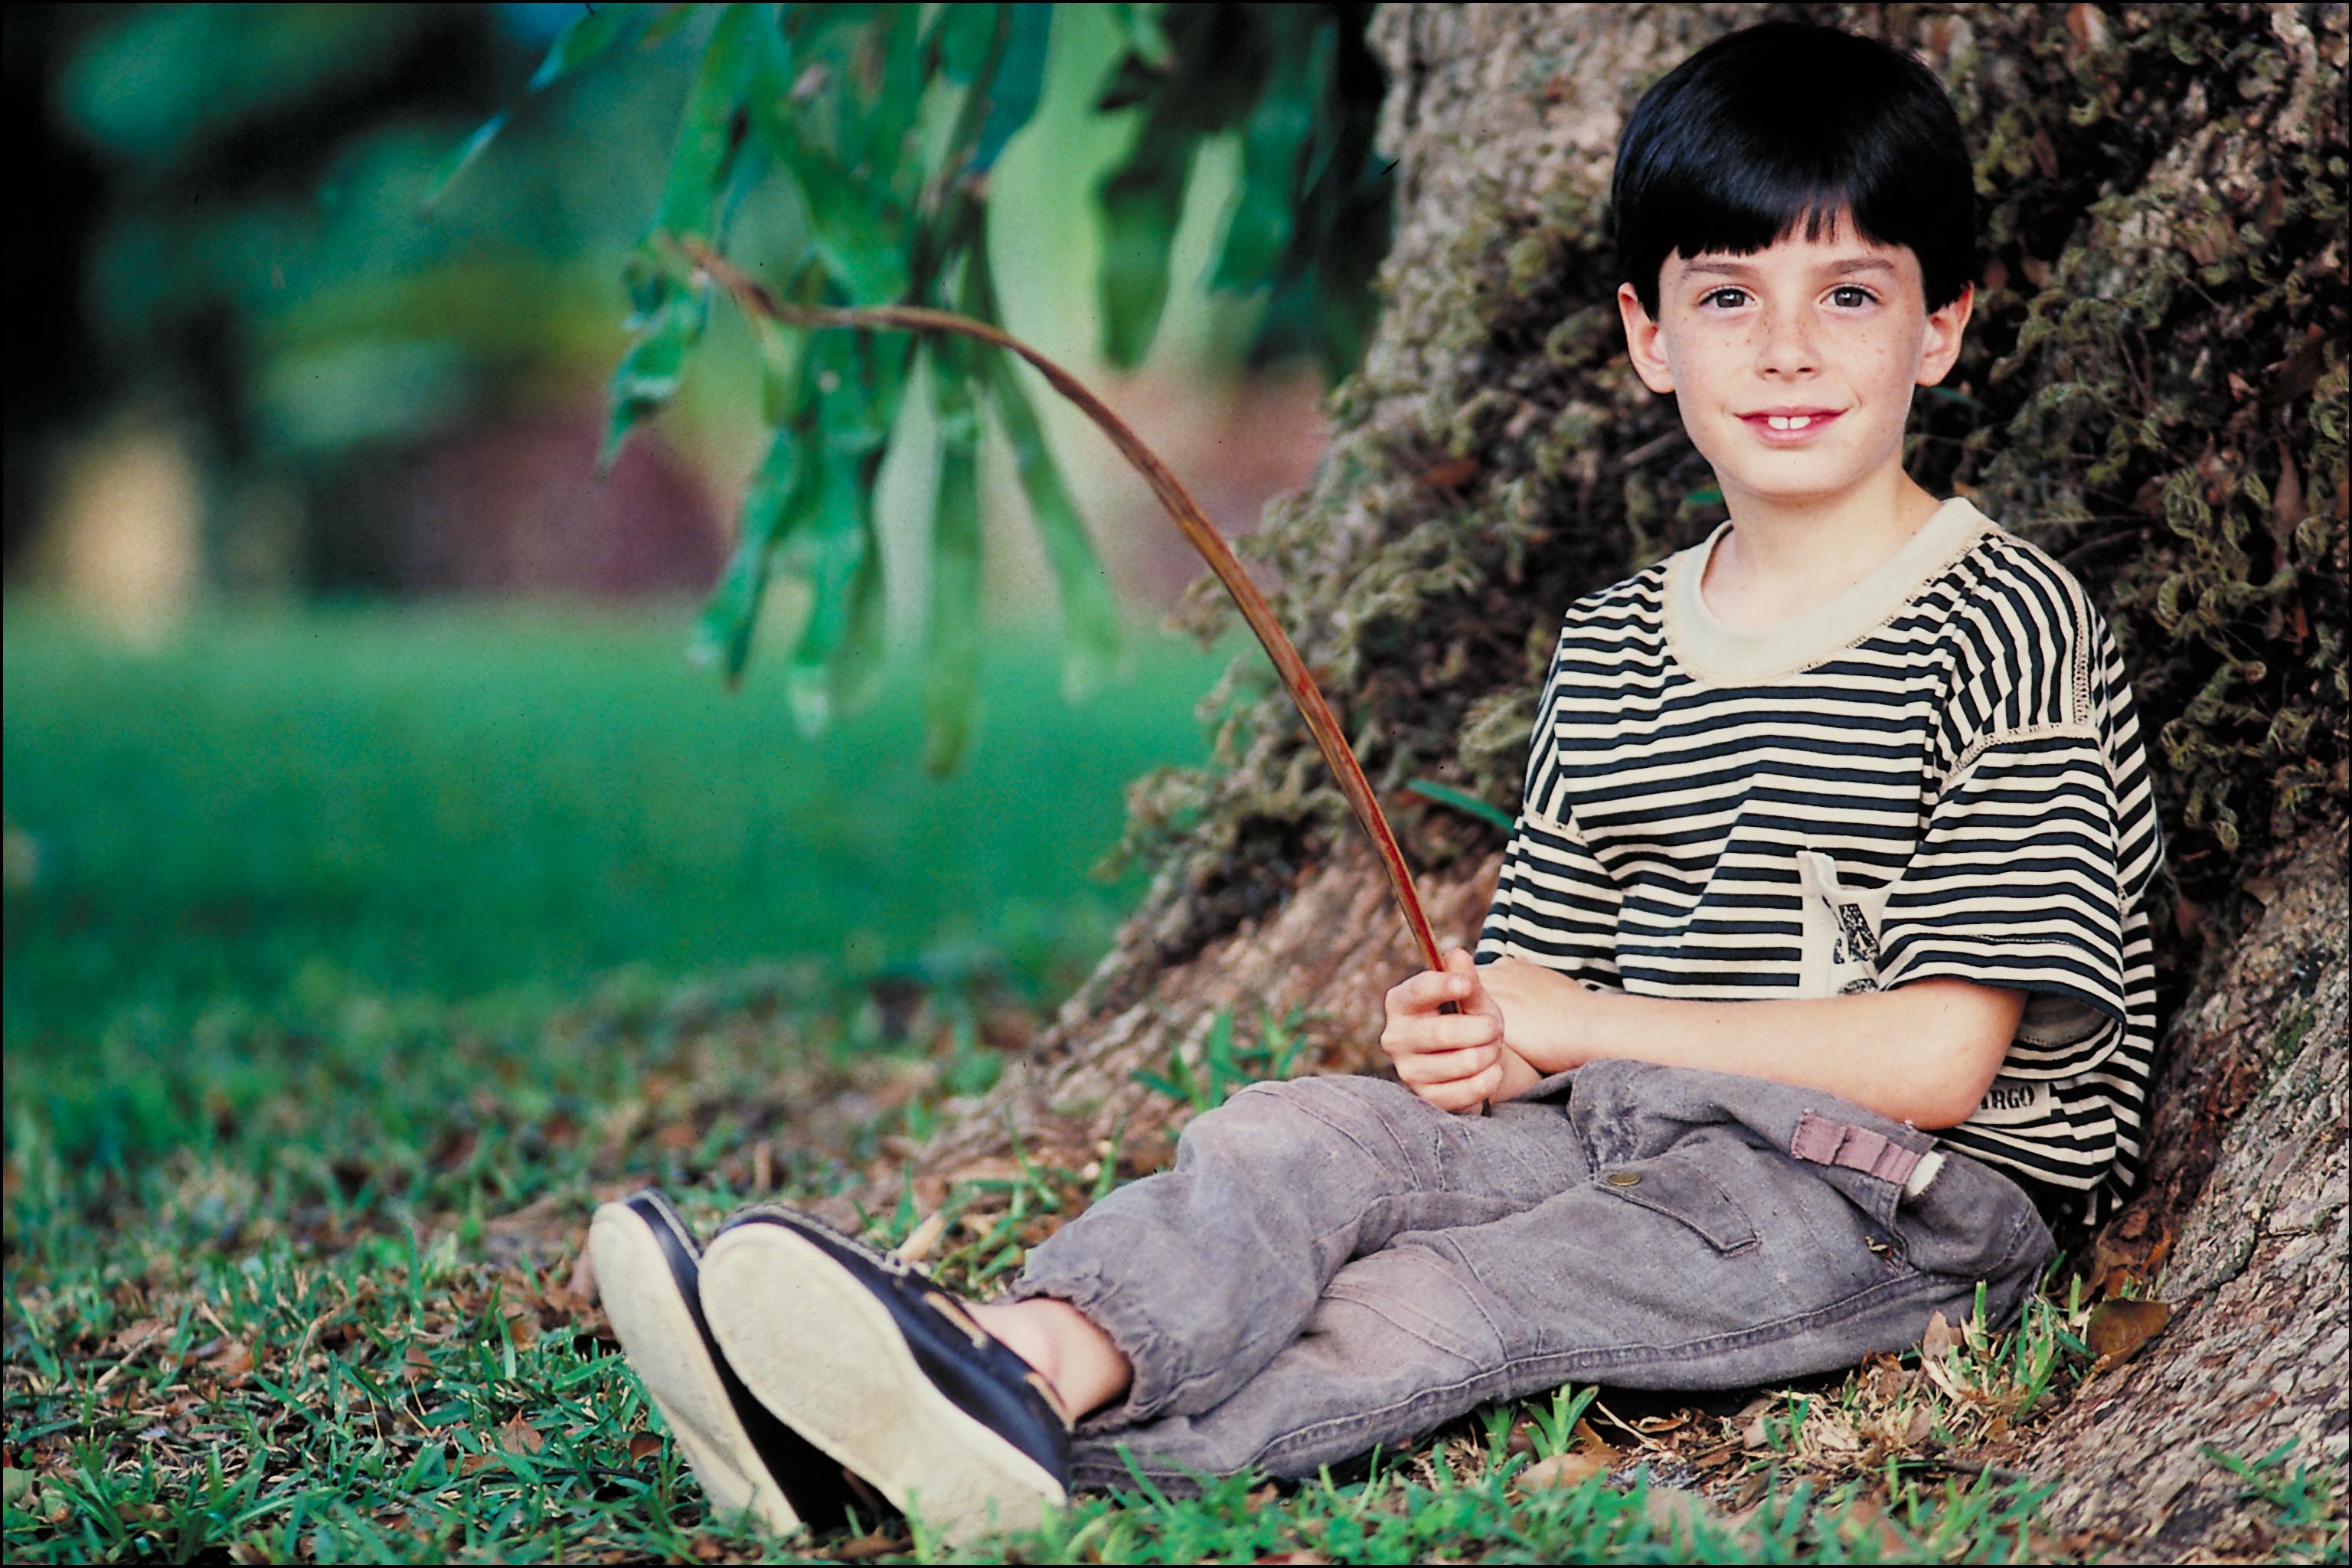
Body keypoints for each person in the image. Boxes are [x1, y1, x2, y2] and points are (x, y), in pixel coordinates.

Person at [588, 19, 2162, 1545]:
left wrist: (1579, 1026)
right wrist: (1487, 1028)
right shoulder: (1621, 641)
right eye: (1732, 294)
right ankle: (1009, 1360)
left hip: (1888, 1199)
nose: (1789, 350)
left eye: (1851, 293)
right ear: (1646, 334)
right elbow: (1548, 992)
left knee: (1449, 1293)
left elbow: (1947, 1055)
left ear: (1941, 327)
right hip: (1622, 1117)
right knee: (1298, 1144)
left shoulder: (1999, 620)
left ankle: (1024, 1458)